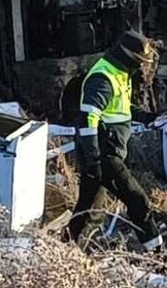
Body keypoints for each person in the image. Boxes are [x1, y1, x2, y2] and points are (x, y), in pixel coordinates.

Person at [69, 30, 162, 251]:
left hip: (106, 152)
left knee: (89, 207)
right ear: (129, 56)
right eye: (141, 62)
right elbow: (88, 118)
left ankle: (67, 251)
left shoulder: (119, 72)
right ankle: (158, 257)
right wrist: (94, 161)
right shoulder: (103, 77)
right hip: (104, 155)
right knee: (138, 201)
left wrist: (147, 117)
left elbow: (119, 108)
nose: (143, 67)